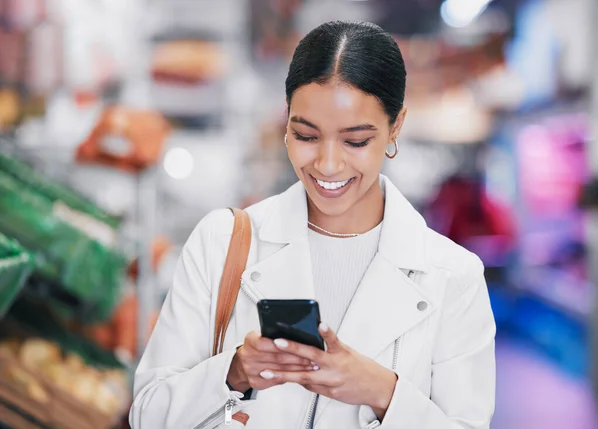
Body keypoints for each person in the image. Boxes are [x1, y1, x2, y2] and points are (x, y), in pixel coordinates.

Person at [129, 21, 496, 429]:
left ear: (395, 127)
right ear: (286, 122)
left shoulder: (452, 277)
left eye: (355, 141)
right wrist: (233, 373)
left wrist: (383, 392)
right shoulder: (222, 242)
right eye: (306, 136)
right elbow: (148, 415)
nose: (327, 164)